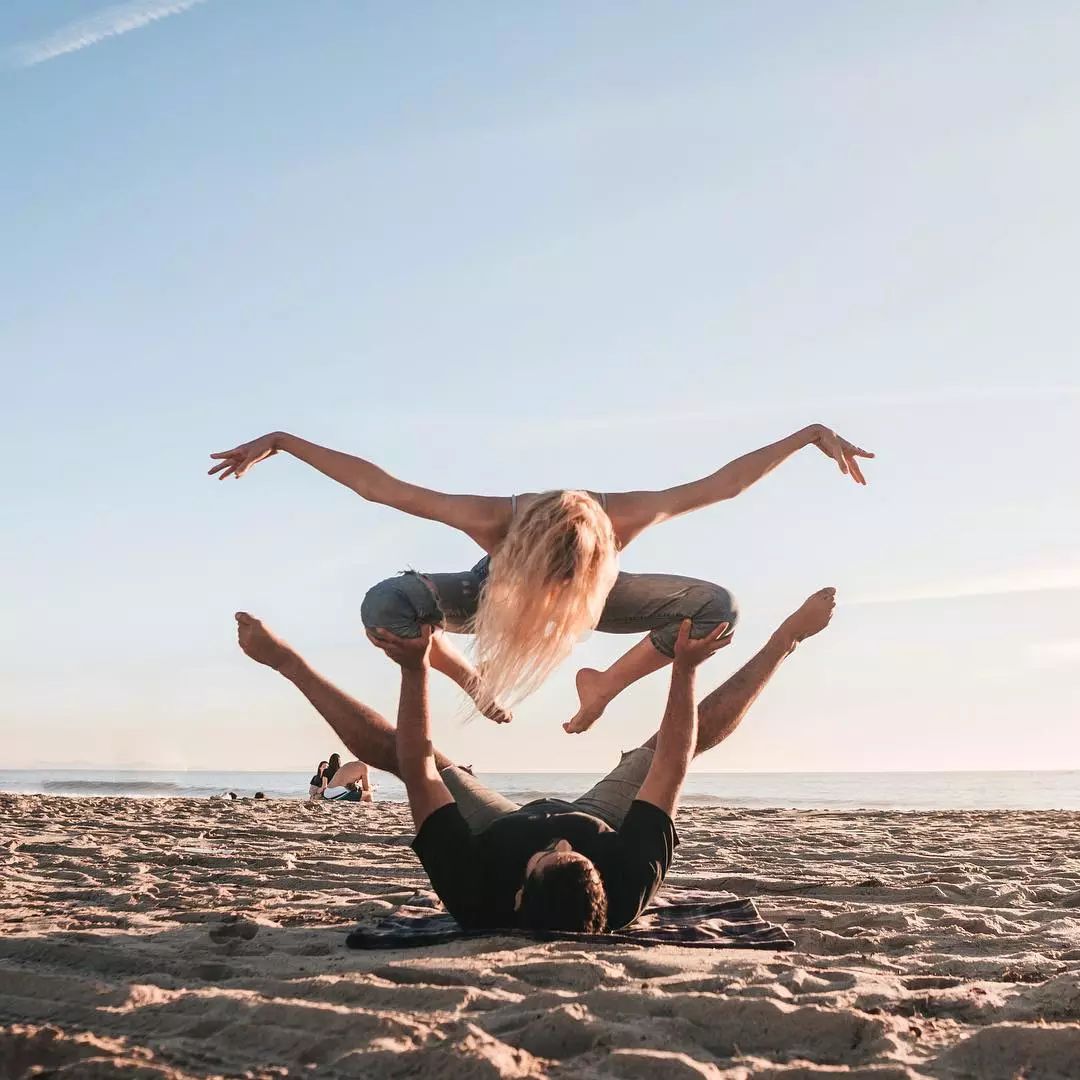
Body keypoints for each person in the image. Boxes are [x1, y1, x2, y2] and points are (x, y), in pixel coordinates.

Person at [232, 586, 836, 932]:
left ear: (518, 897)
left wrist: (413, 670)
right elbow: (671, 765)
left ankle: (287, 662)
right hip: (602, 811)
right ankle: (787, 640)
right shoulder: (627, 884)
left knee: (402, 756)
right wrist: (685, 670)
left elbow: (417, 768)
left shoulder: (473, 891)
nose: (563, 842)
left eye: (552, 856)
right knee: (675, 742)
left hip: (496, 827)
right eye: (575, 856)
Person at [209, 427, 870, 733]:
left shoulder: (622, 518)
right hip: (491, 596)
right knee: (385, 603)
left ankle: (603, 685)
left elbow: (720, 486)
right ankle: (471, 679)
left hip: (599, 600)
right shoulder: (495, 522)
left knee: (716, 607)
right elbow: (382, 488)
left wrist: (807, 438)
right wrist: (284, 442)